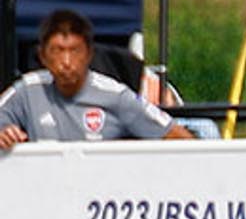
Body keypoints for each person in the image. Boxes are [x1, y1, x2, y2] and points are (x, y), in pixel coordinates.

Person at [0, 10, 194, 149]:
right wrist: (4, 134)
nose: (66, 62)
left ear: (89, 54)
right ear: (42, 56)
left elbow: (176, 135)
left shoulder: (116, 96)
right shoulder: (26, 90)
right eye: (57, 51)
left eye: (74, 51)